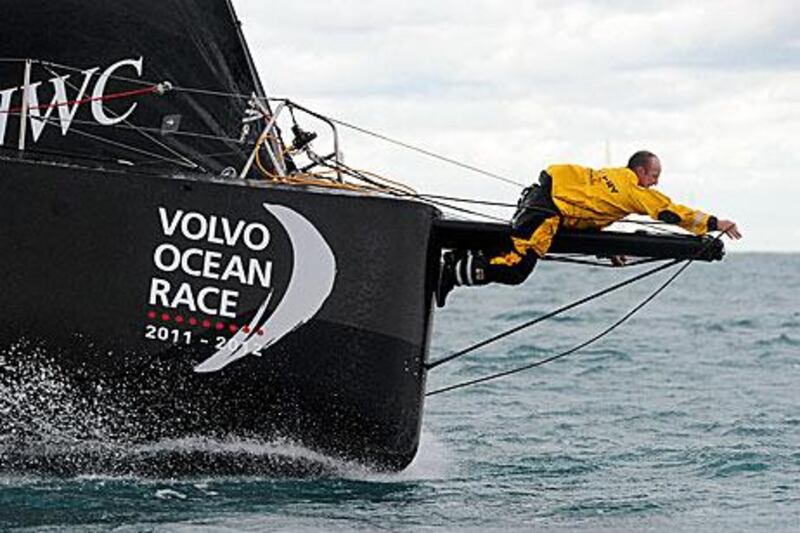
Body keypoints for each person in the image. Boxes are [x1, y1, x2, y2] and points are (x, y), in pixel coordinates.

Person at [436, 150, 742, 307]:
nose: (656, 182)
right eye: (654, 175)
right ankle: (451, 272)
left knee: (509, 249)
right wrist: (716, 223)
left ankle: (460, 257)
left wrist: (605, 250)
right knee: (516, 268)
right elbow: (671, 213)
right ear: (639, 171)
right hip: (548, 209)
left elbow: (588, 212)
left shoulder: (615, 178)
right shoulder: (634, 189)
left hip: (543, 195)